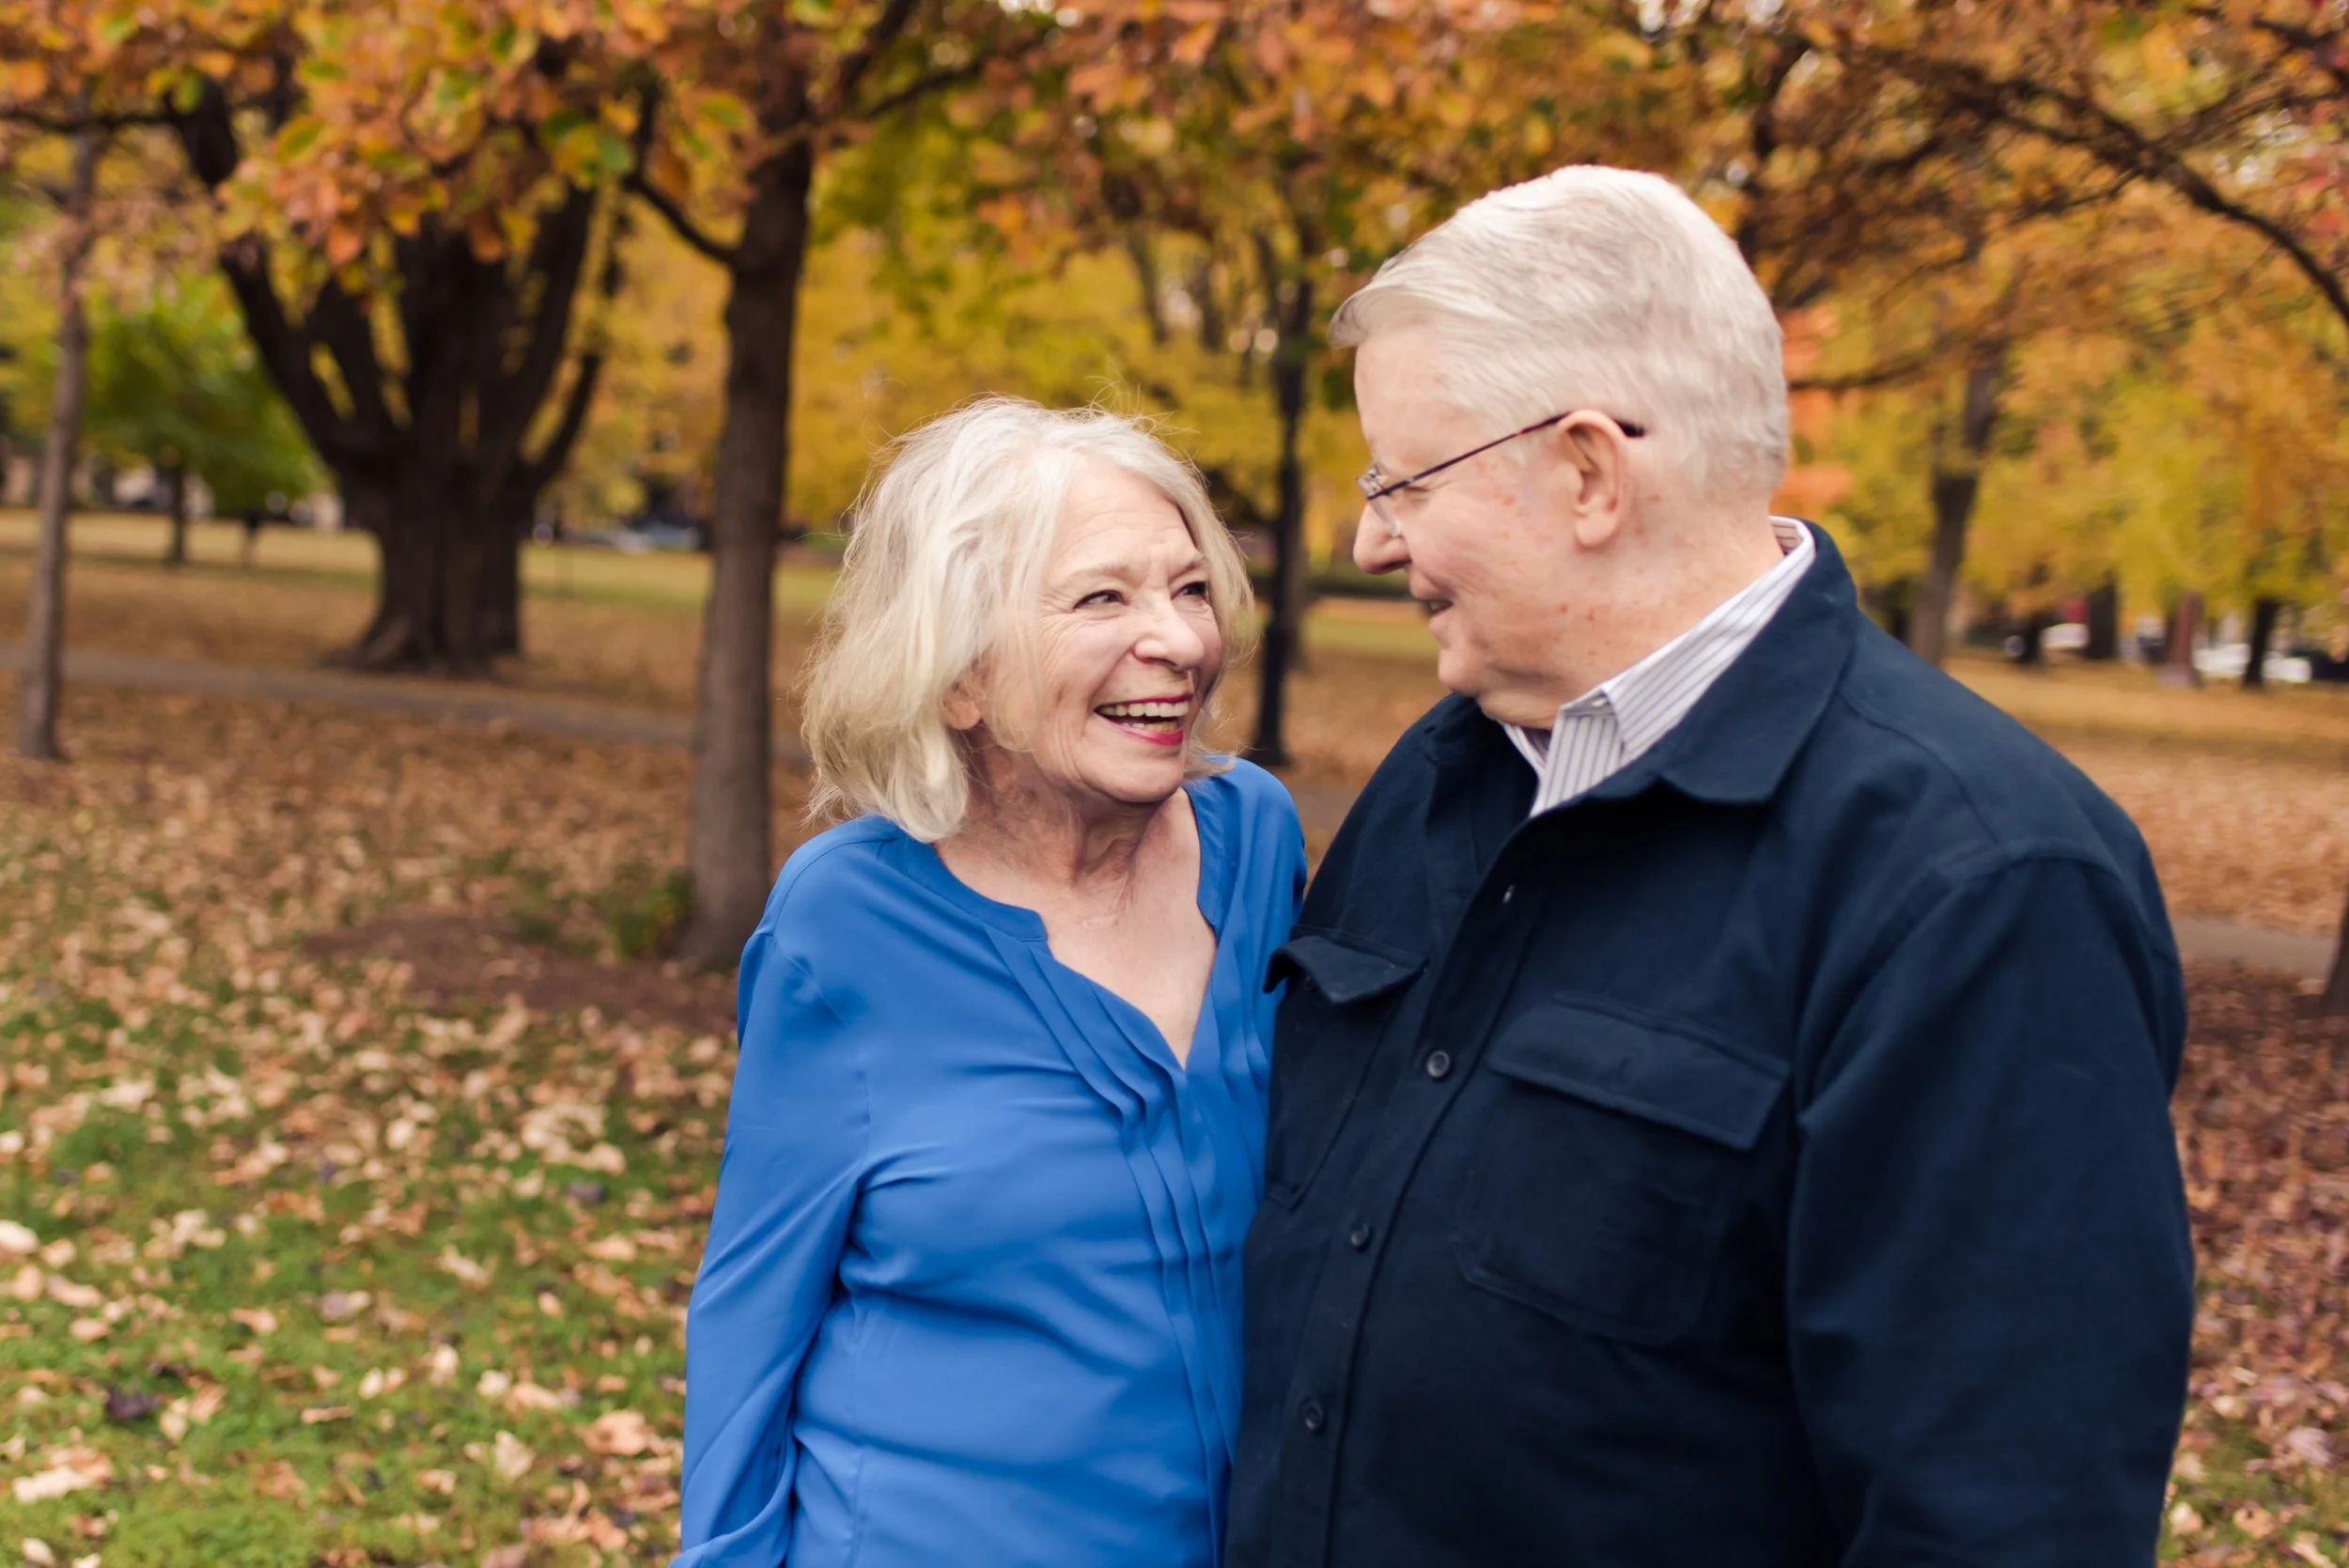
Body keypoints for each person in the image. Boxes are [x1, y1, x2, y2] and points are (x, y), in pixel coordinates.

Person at [1229, 166, 2193, 1567]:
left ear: (1587, 473)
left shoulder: (1982, 886)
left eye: (1407, 482)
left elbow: (2004, 1521)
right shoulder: (1444, 774)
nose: (1374, 540)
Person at [677, 397, 1305, 1567]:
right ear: (960, 674)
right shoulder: (846, 921)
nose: (1178, 639)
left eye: (1190, 588)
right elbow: (751, 1313)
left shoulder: (1258, 841)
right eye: (1101, 598)